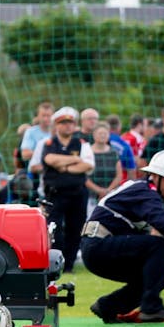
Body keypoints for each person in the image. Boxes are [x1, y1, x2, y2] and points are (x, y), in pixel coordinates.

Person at [82, 148, 164, 324]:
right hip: (98, 246)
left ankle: (107, 306)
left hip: (97, 248)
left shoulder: (142, 190)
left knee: (159, 277)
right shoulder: (146, 192)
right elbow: (163, 224)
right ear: (156, 177)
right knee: (157, 245)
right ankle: (151, 308)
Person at [30, 107, 94, 274]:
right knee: (54, 229)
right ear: (57, 125)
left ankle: (69, 265)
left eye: (70, 123)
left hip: (77, 193)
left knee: (76, 228)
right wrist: (74, 160)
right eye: (63, 123)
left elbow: (87, 165)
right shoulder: (48, 143)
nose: (67, 126)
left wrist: (62, 166)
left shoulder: (82, 144)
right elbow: (49, 159)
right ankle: (55, 262)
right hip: (55, 193)